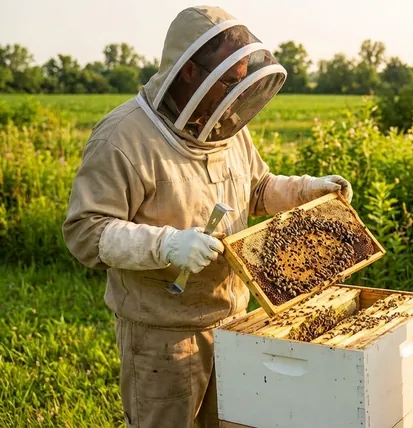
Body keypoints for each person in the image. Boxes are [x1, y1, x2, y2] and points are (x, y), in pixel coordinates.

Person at [61, 6, 352, 427]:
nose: (237, 95)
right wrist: (165, 244)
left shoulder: (227, 126)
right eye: (229, 82)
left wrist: (307, 190)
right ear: (191, 73)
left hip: (237, 321)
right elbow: (85, 231)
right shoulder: (122, 137)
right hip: (164, 335)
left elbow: (256, 189)